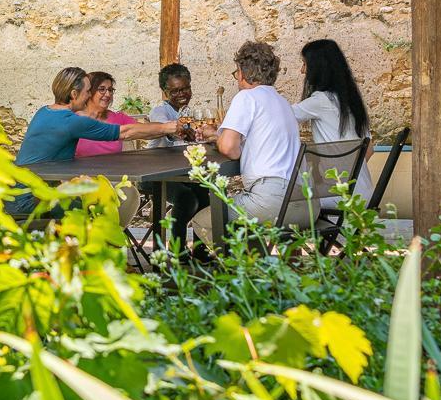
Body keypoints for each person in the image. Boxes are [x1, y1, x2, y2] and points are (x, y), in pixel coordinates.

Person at [10, 67, 184, 216]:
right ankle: (102, 252)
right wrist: (167, 127)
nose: (89, 96)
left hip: (15, 193)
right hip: (28, 199)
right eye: (88, 91)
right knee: (100, 208)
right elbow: (125, 132)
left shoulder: (44, 111)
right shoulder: (73, 121)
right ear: (74, 94)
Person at [190, 41, 300, 244]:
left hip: (273, 203)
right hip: (304, 203)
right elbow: (257, 139)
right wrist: (216, 135)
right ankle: (257, 268)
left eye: (236, 72)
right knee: (245, 224)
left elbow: (230, 149)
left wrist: (220, 140)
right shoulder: (282, 102)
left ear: (243, 72)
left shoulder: (246, 97)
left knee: (204, 220)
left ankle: (241, 272)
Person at [291, 38, 374, 201]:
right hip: (364, 192)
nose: (302, 71)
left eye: (305, 64)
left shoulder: (321, 101)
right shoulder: (350, 103)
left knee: (287, 201)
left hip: (338, 195)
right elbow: (370, 149)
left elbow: (280, 117)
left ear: (318, 68)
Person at [142, 63, 208, 251]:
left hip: (180, 172)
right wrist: (185, 131)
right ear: (165, 91)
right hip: (154, 174)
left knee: (205, 194)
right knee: (187, 198)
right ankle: (177, 249)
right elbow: (173, 132)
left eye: (185, 88)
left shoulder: (187, 112)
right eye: (175, 91)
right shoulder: (160, 112)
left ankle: (200, 249)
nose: (182, 94)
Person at [75, 72, 138, 157]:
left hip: (115, 169)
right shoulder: (74, 118)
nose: (108, 94)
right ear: (89, 91)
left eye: (110, 90)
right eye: (102, 89)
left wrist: (162, 127)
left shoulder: (119, 118)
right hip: (82, 170)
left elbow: (146, 130)